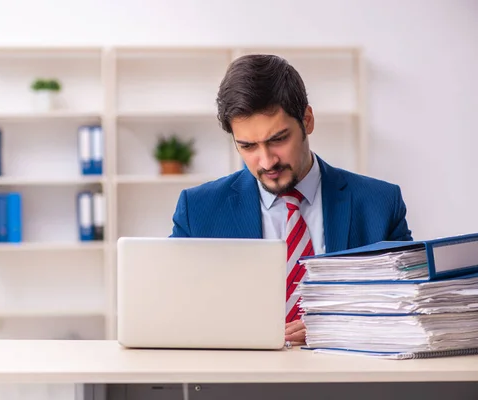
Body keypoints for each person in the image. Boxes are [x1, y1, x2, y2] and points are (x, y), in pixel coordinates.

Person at [169, 54, 413, 346]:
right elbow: (174, 313)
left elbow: (411, 309)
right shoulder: (198, 210)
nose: (267, 160)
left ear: (307, 121)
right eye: (247, 146)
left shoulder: (380, 204)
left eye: (278, 139)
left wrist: (333, 328)